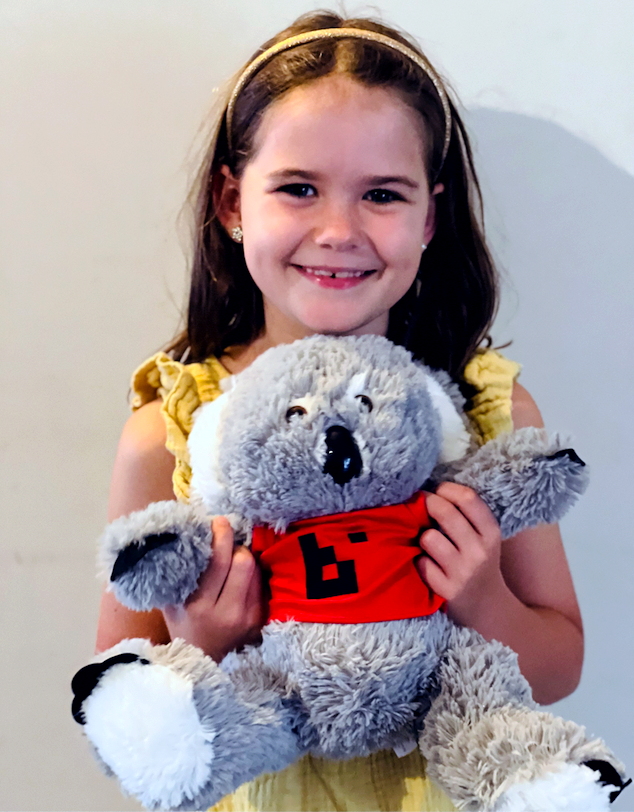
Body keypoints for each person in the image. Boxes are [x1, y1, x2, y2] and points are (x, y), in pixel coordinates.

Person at [96, 11, 584, 811]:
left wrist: (483, 598)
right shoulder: (170, 430)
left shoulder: (488, 411)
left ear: (429, 217)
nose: (338, 231)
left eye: (382, 195)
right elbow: (116, 711)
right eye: (298, 188)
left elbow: (559, 666)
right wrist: (205, 644)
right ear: (232, 202)